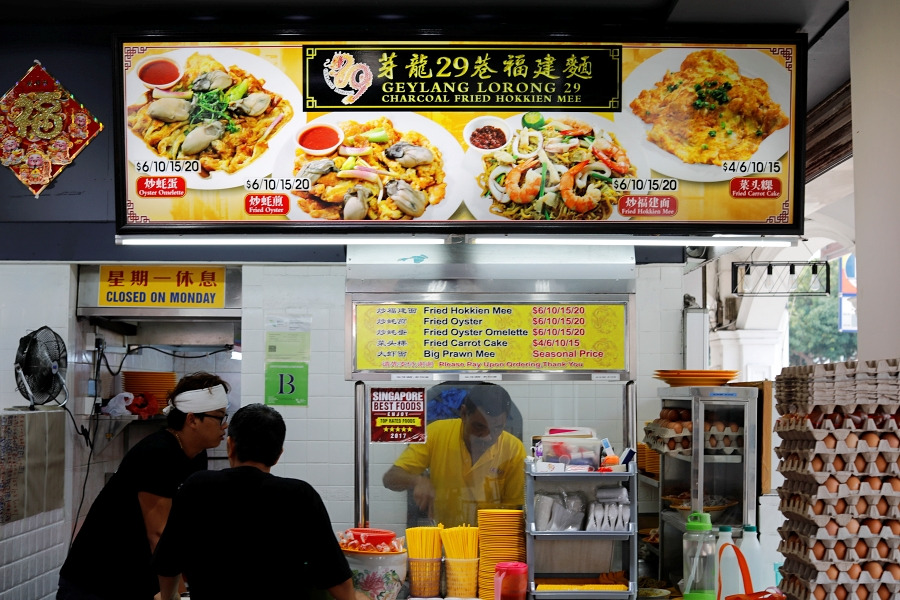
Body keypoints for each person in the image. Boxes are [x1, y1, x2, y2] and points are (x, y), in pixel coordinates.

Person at [153, 403, 361, 600]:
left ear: (230, 446)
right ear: (278, 455)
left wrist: (169, 596)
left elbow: (168, 562)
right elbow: (336, 577)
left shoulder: (197, 487)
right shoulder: (300, 495)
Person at [57, 372, 231, 600]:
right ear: (192, 420)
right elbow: (159, 534)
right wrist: (179, 594)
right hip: (96, 581)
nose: (225, 425)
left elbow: (184, 526)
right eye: (219, 417)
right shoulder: (157, 454)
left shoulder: (196, 455)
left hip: (136, 579)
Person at [382, 382, 526, 526]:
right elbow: (390, 478)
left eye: (497, 428)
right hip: (445, 535)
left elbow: (515, 512)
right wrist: (417, 481)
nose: (488, 437)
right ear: (463, 414)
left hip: (492, 536)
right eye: (479, 426)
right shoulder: (436, 433)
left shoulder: (514, 449)